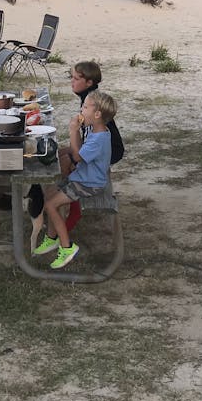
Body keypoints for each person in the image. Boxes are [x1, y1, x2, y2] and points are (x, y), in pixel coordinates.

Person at [33, 90, 118, 269]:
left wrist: (73, 130)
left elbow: (77, 156)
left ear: (97, 114)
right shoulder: (96, 129)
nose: (81, 109)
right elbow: (76, 150)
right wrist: (77, 132)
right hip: (82, 176)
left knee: (50, 205)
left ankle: (67, 247)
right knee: (50, 194)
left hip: (88, 183)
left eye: (85, 107)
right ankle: (52, 238)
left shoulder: (99, 138)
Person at [59, 60, 124, 175]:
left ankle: (70, 188)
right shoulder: (90, 98)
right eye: (72, 77)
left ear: (89, 83)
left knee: (65, 160)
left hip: (111, 149)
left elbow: (88, 138)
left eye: (76, 79)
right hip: (99, 144)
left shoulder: (91, 103)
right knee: (58, 154)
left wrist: (74, 157)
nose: (72, 81)